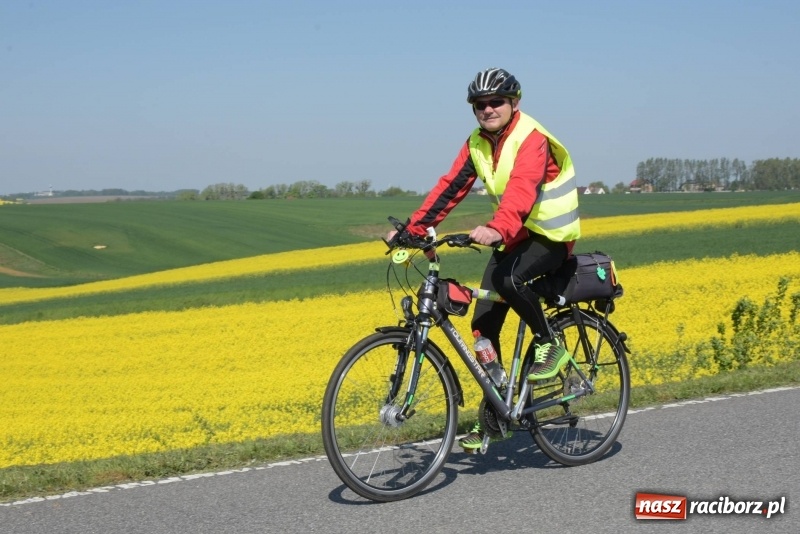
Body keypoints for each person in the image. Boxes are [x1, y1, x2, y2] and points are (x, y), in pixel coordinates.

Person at [386, 67, 581, 451]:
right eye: (480, 104)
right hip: (515, 236)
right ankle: (497, 413)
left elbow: (523, 188)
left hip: (551, 237)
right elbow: (450, 188)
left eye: (496, 102)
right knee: (483, 327)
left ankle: (550, 344)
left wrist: (497, 228)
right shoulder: (477, 143)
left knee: (510, 281)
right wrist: (411, 232)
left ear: (514, 103)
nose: (487, 109)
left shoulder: (531, 138)